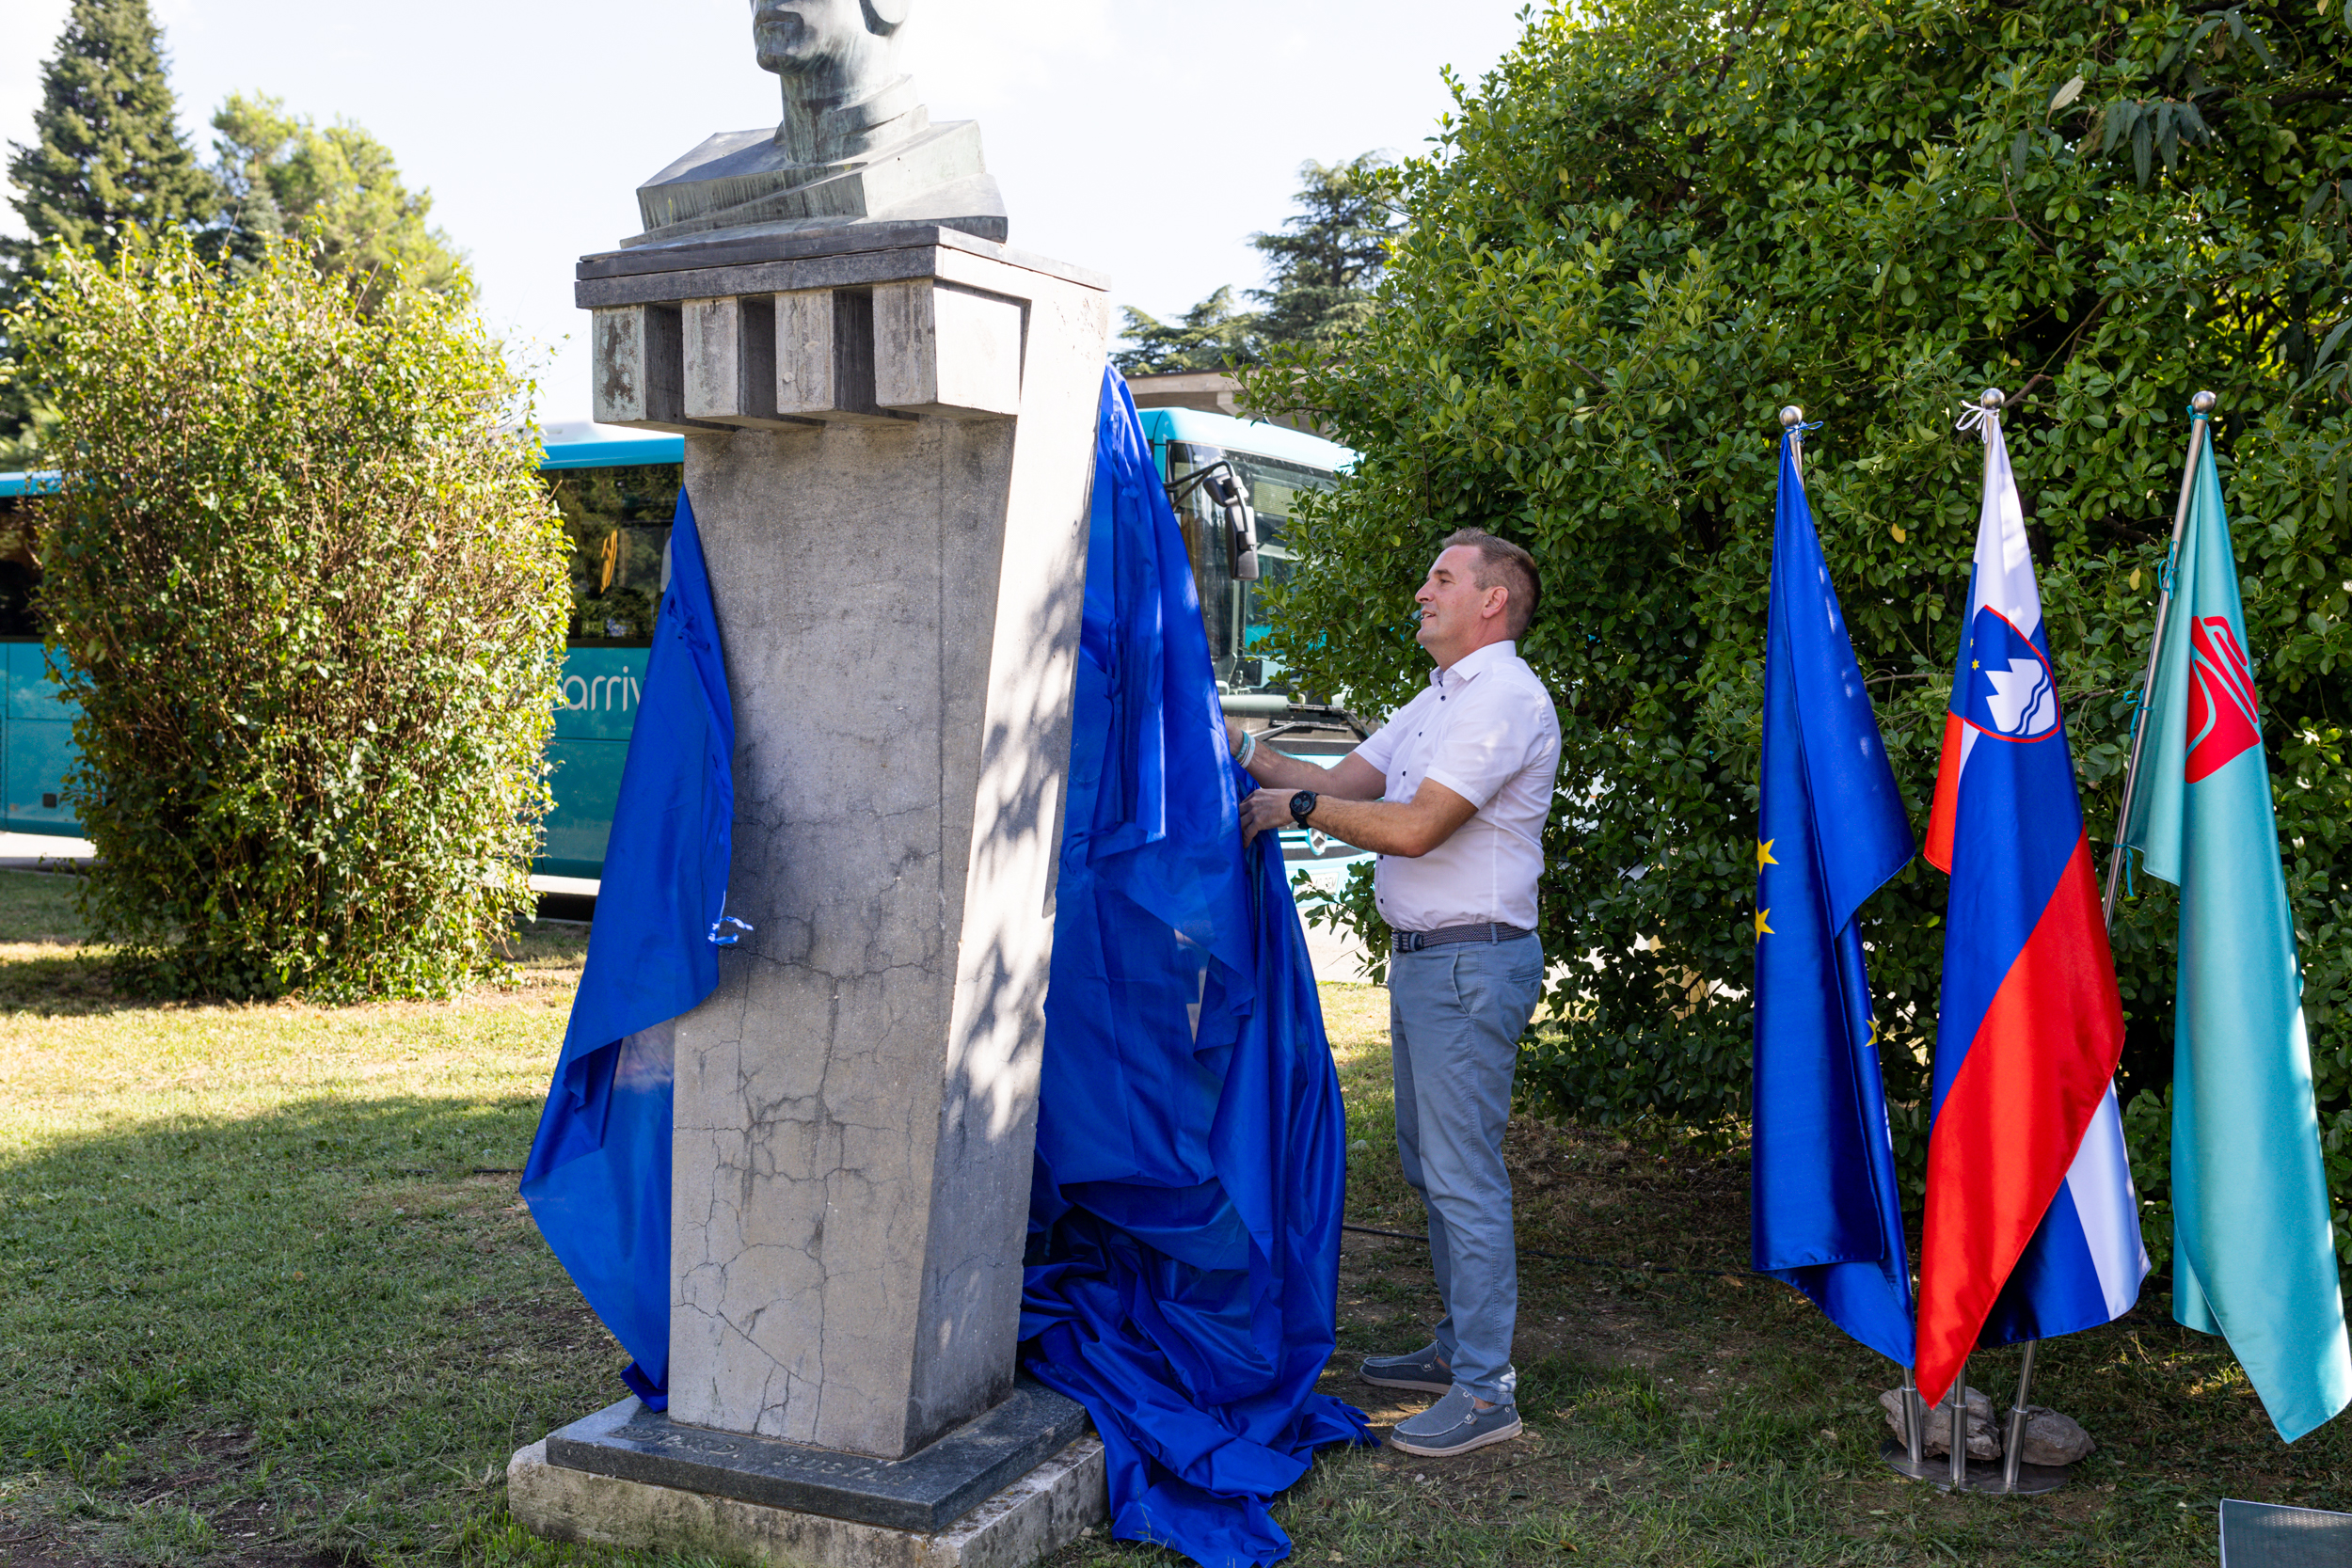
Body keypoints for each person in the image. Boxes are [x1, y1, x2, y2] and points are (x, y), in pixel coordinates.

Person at [1232, 528, 1562, 1458]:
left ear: (1490, 601)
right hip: (1428, 962)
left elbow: (1413, 827)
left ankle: (1486, 1391)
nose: (1423, 589)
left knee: (1462, 1176)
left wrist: (1293, 811)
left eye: (1442, 577)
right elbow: (1330, 782)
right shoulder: (1437, 700)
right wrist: (1238, 744)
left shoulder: (1500, 697)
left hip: (1468, 962)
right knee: (1430, 1166)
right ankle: (1460, 1347)